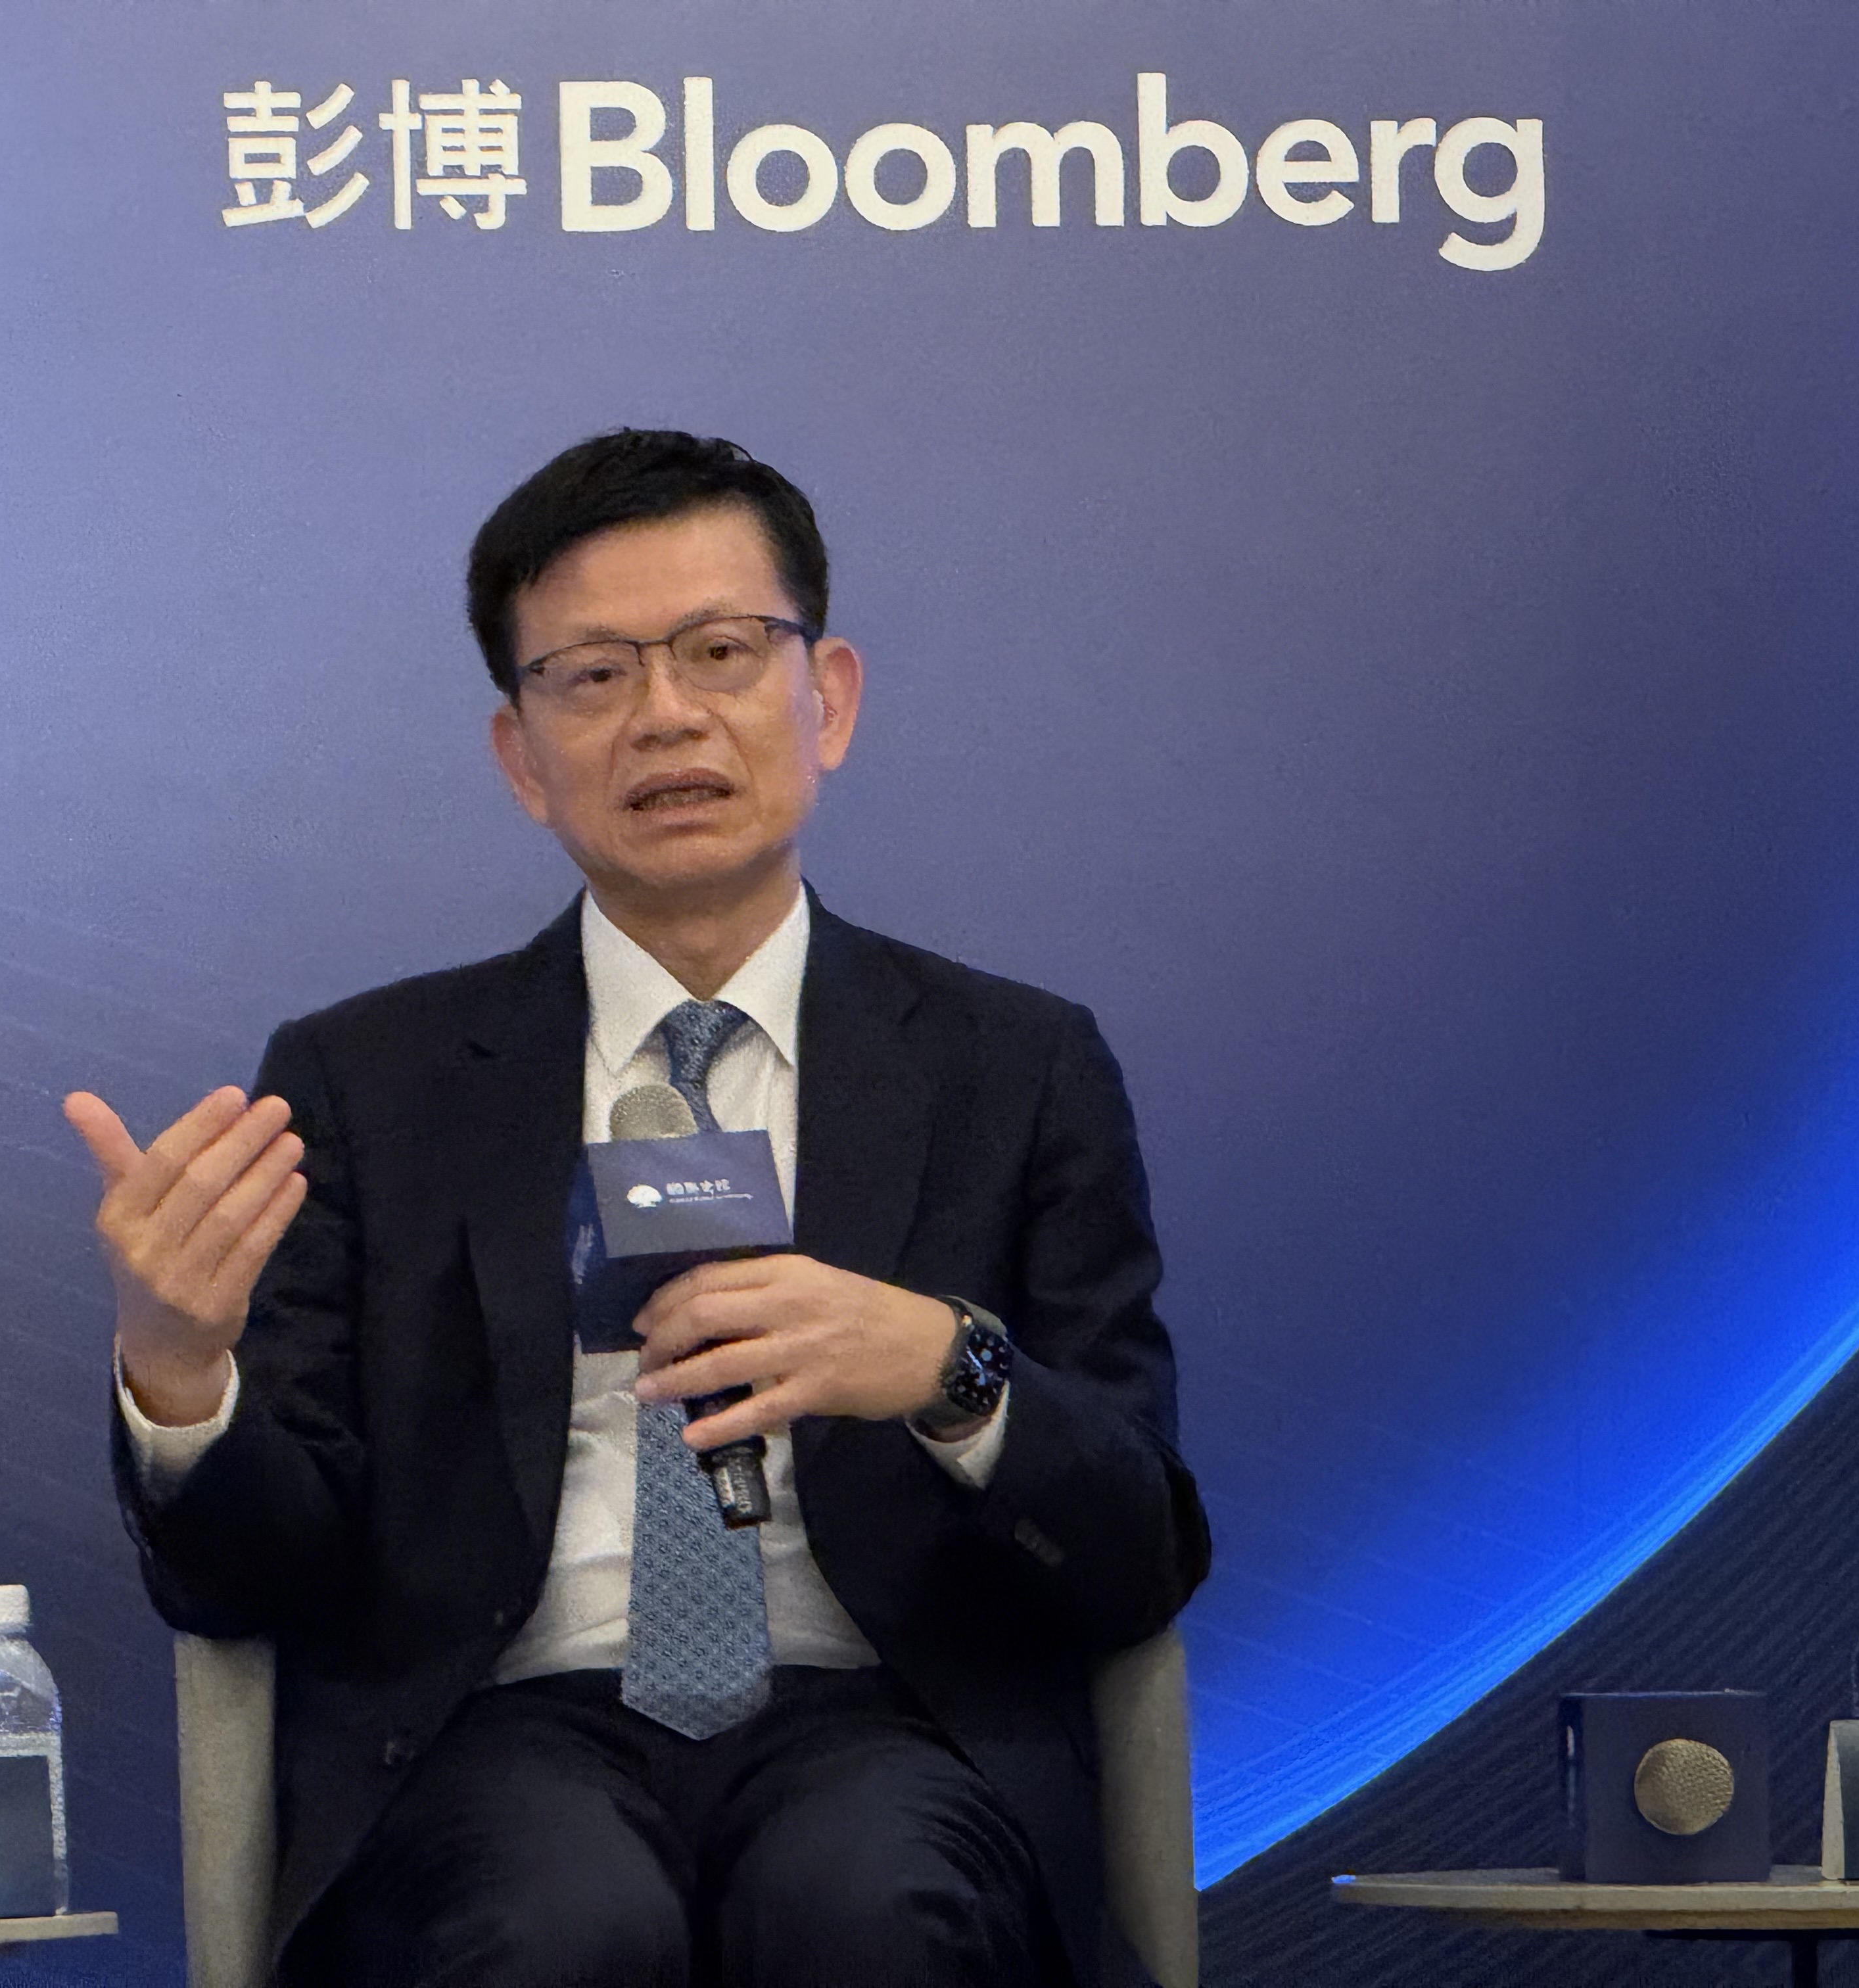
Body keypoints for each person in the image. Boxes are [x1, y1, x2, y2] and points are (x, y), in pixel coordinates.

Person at [64, 430, 1209, 1987]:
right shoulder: (369, 1079)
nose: (666, 714)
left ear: (829, 698)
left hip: (888, 1718)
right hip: (503, 1731)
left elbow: (1139, 1548)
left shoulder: (1017, 1064)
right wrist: (181, 1372)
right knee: (559, 1927)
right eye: (595, 675)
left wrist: (953, 1370)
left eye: (722, 652)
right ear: (521, 756)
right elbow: (255, 1575)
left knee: (868, 1909)